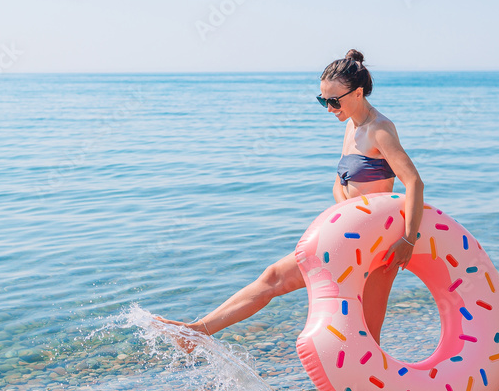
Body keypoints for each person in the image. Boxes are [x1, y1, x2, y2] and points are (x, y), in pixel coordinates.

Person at [156, 50, 425, 349]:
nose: (328, 108)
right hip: (349, 233)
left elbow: (413, 181)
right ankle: (197, 331)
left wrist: (408, 240)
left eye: (334, 101)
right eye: (323, 100)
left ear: (358, 93)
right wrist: (345, 216)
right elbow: (340, 182)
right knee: (273, 276)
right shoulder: (351, 126)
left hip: (377, 242)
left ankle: (197, 333)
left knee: (368, 331)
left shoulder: (380, 130)